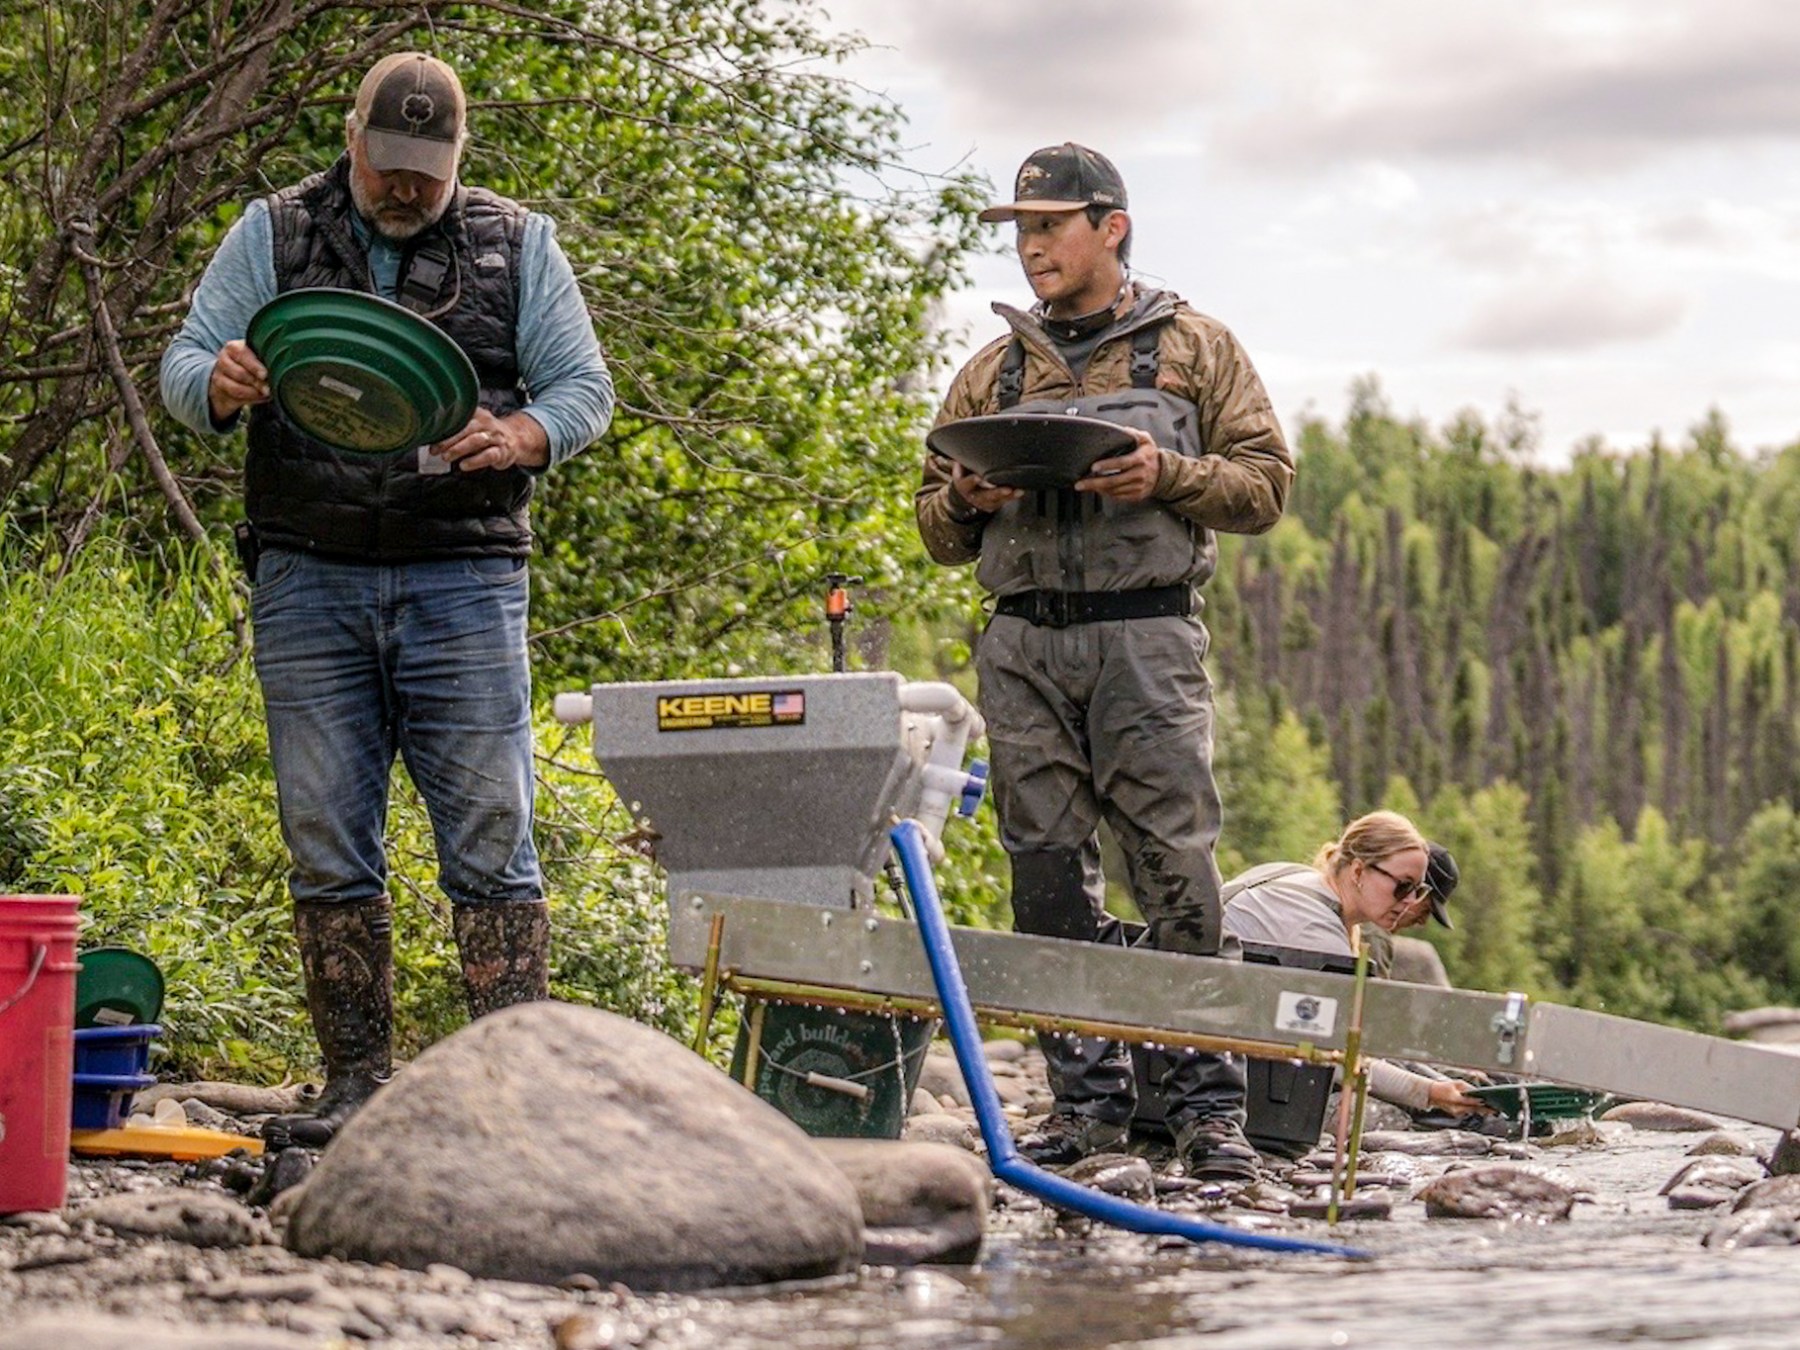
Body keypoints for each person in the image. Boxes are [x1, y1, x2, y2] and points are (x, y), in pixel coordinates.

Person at [160, 52, 615, 1145]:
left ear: (459, 157)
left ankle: (515, 1094)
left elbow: (585, 390)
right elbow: (183, 366)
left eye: (431, 168)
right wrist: (217, 387)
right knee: (326, 836)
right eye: (390, 164)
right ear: (352, 136)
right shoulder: (270, 231)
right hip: (306, 571)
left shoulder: (521, 241)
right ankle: (355, 1085)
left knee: (494, 834)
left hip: (466, 575)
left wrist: (521, 433)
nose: (407, 187)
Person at [914, 144, 1294, 1179]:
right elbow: (935, 529)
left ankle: (1205, 1110)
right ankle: (1086, 1107)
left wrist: (1166, 474)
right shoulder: (988, 372)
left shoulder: (1195, 347)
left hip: (1148, 636)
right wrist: (966, 500)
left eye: (1049, 226)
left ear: (1110, 227)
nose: (1032, 246)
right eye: (1022, 231)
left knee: (1175, 869)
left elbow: (1265, 486)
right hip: (1023, 641)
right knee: (1043, 873)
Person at [1222, 812, 1489, 1115]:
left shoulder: (1292, 876)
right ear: (1359, 872)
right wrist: (1430, 1092)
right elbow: (1335, 1058)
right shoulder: (1316, 934)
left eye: (1419, 891)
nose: (1410, 901)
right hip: (1193, 1069)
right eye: (1403, 886)